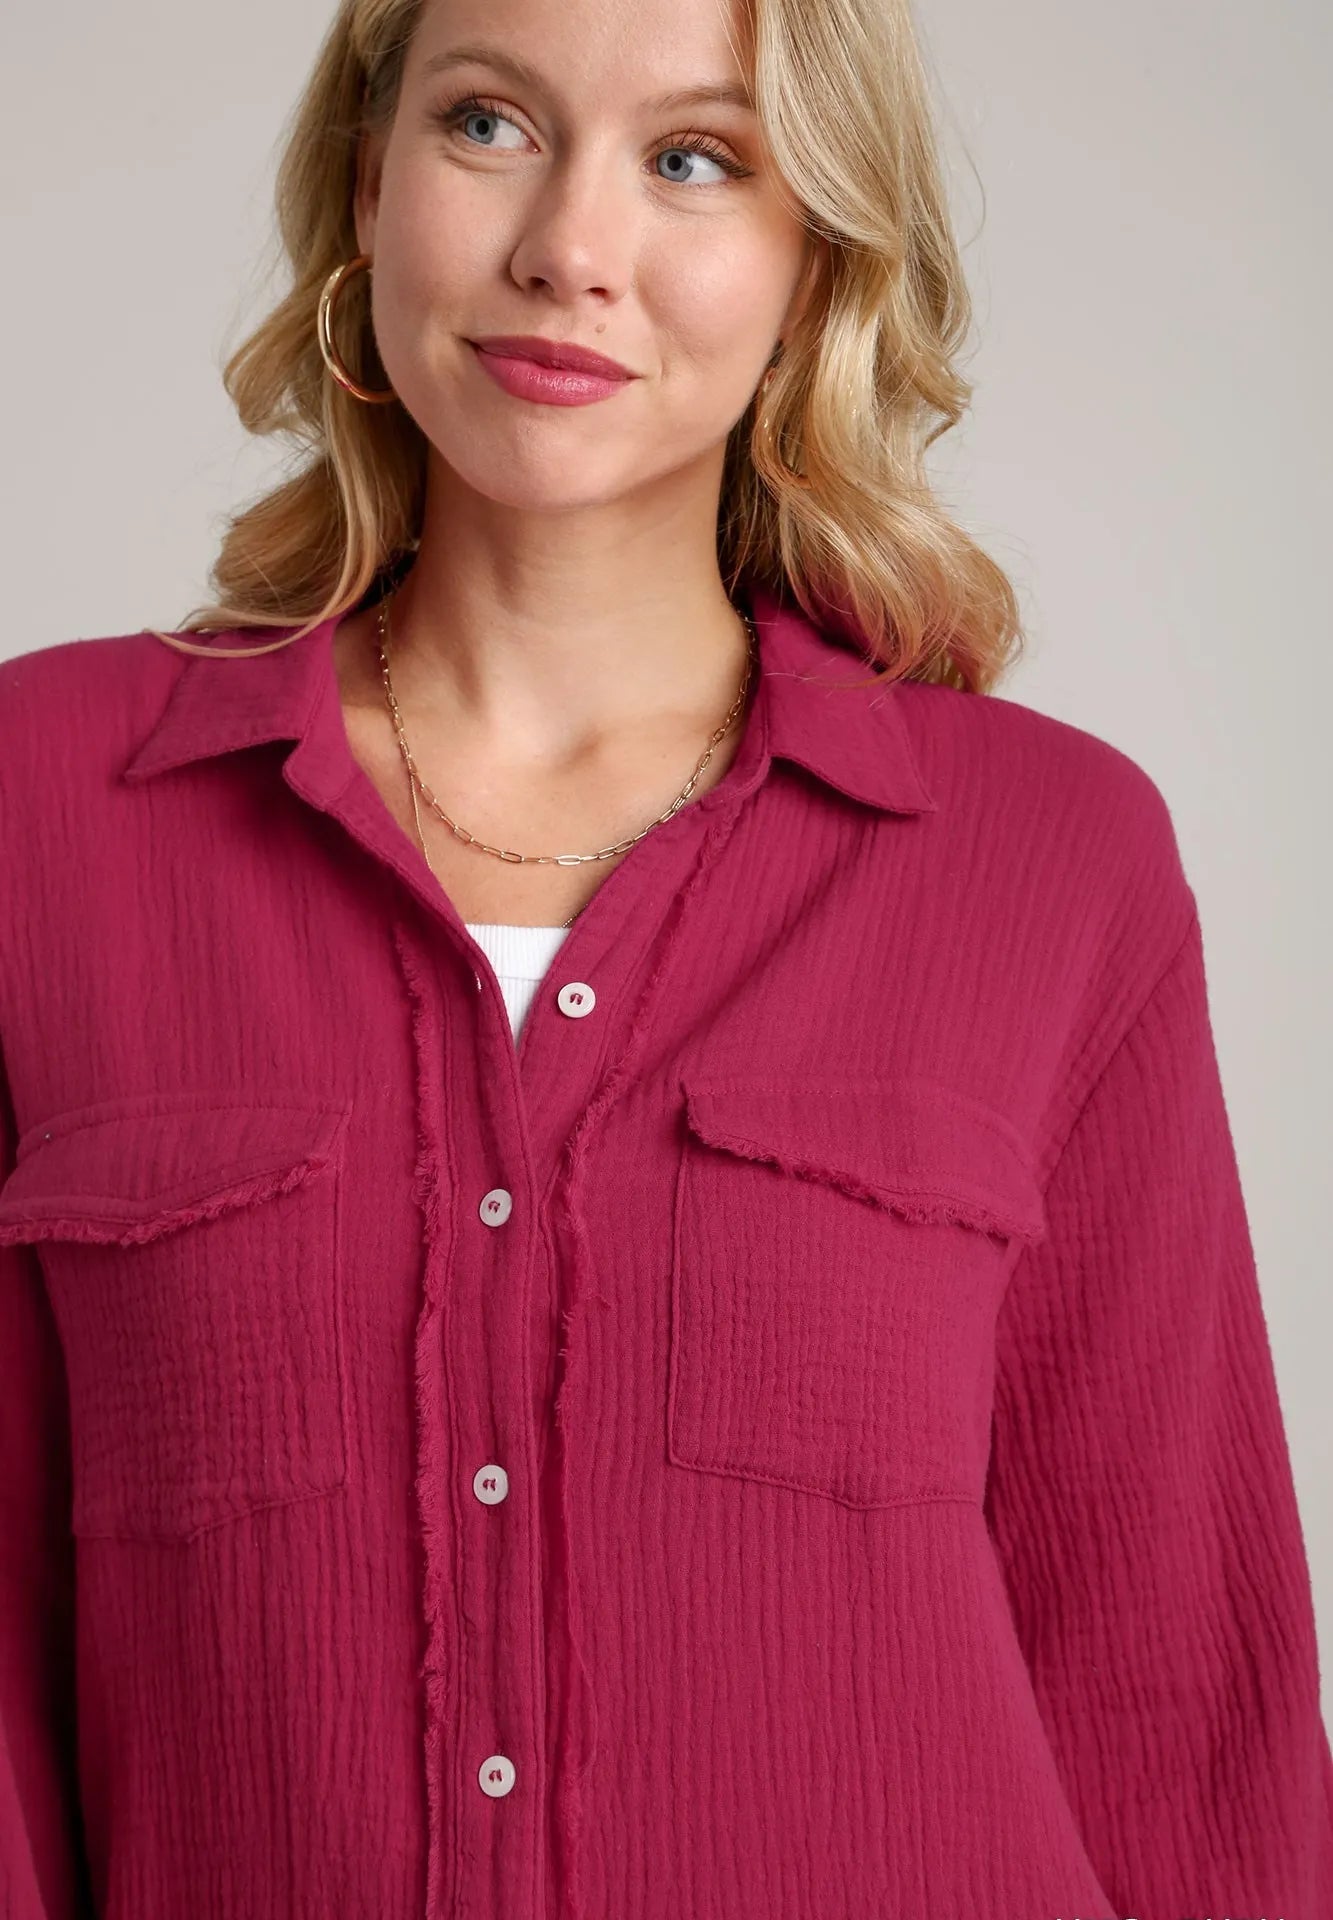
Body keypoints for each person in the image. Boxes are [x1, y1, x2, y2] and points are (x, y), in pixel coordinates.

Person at [1, 0, 1330, 1912]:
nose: (570, 247)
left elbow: (1178, 1695)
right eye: (486, 125)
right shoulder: (45, 810)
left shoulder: (1052, 858)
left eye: (693, 159)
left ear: (815, 265)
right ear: (367, 183)